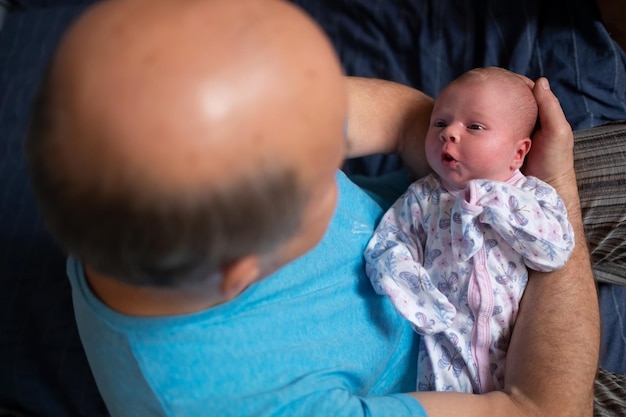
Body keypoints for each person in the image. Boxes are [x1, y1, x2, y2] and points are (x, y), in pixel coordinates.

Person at [24, 0, 599, 416]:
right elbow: (539, 407)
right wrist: (551, 186)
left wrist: (482, 188)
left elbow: (401, 120)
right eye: (327, 161)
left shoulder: (168, 124)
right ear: (242, 271)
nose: (341, 136)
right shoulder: (264, 402)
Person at [364, 67, 574, 394]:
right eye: (440, 123)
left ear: (518, 153)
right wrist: (424, 305)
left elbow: (555, 250)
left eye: (474, 126)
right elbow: (387, 247)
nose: (449, 134)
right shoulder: (423, 198)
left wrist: (493, 197)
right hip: (444, 345)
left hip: (512, 352)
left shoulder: (531, 195)